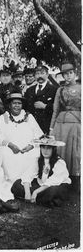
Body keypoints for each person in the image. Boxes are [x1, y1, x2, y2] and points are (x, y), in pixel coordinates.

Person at [0, 92, 43, 188]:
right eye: (14, 103)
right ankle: (13, 182)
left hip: (27, 148)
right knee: (5, 153)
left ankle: (27, 181)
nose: (17, 106)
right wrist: (11, 145)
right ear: (9, 105)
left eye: (19, 103)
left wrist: (31, 146)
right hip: (10, 147)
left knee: (35, 154)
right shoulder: (3, 117)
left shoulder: (29, 117)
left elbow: (39, 134)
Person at [11, 135, 71, 207]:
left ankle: (40, 197)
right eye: (43, 147)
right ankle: (38, 198)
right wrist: (27, 192)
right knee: (17, 183)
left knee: (52, 191)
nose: (45, 151)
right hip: (41, 183)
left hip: (55, 185)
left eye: (48, 148)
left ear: (53, 149)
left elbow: (53, 181)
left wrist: (36, 192)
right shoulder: (38, 160)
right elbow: (28, 175)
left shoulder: (59, 162)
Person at [50, 62, 81, 192]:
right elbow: (55, 110)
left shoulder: (81, 88)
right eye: (65, 74)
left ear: (75, 74)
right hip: (61, 124)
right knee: (61, 151)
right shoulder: (60, 90)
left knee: (76, 152)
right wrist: (51, 128)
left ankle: (76, 181)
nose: (68, 76)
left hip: (77, 123)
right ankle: (62, 180)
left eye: (70, 73)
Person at [24, 64, 58, 134]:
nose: (40, 76)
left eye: (42, 73)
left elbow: (58, 107)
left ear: (47, 75)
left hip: (46, 125)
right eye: (37, 73)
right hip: (32, 125)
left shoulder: (54, 89)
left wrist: (45, 106)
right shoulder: (29, 90)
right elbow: (25, 106)